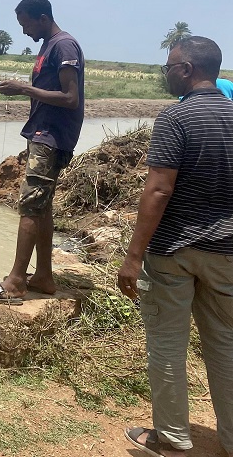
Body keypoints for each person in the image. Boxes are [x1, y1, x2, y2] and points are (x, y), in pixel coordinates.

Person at [117, 36, 233, 457]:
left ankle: (171, 439)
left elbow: (158, 191)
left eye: (169, 65)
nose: (165, 72)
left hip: (173, 254)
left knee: (167, 346)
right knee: (225, 346)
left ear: (186, 69)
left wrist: (132, 258)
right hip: (227, 255)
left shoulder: (176, 118)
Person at [0, 0, 84, 304]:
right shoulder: (48, 46)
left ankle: (16, 281)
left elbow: (70, 97)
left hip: (51, 137)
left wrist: (23, 88)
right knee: (42, 206)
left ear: (43, 18)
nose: (24, 32)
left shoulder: (64, 46)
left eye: (26, 24)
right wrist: (24, 90)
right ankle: (44, 276)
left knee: (30, 206)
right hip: (42, 134)